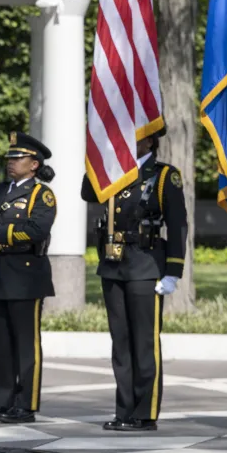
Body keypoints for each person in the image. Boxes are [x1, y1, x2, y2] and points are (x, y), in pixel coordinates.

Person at [81, 128, 188, 432]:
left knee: (144, 343)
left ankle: (145, 412)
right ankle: (124, 410)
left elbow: (179, 224)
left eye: (134, 133)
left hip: (146, 264)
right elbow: (88, 193)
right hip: (113, 264)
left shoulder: (164, 175)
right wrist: (96, 159)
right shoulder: (113, 170)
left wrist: (173, 271)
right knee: (121, 343)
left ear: (150, 140)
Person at [0, 132, 58, 424]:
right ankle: (1, 401)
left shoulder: (41, 194)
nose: (11, 163)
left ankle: (25, 404)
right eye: (9, 159)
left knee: (26, 344)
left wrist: (0, 233)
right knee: (1, 344)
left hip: (27, 274)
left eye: (18, 159)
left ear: (34, 164)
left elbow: (37, 230)